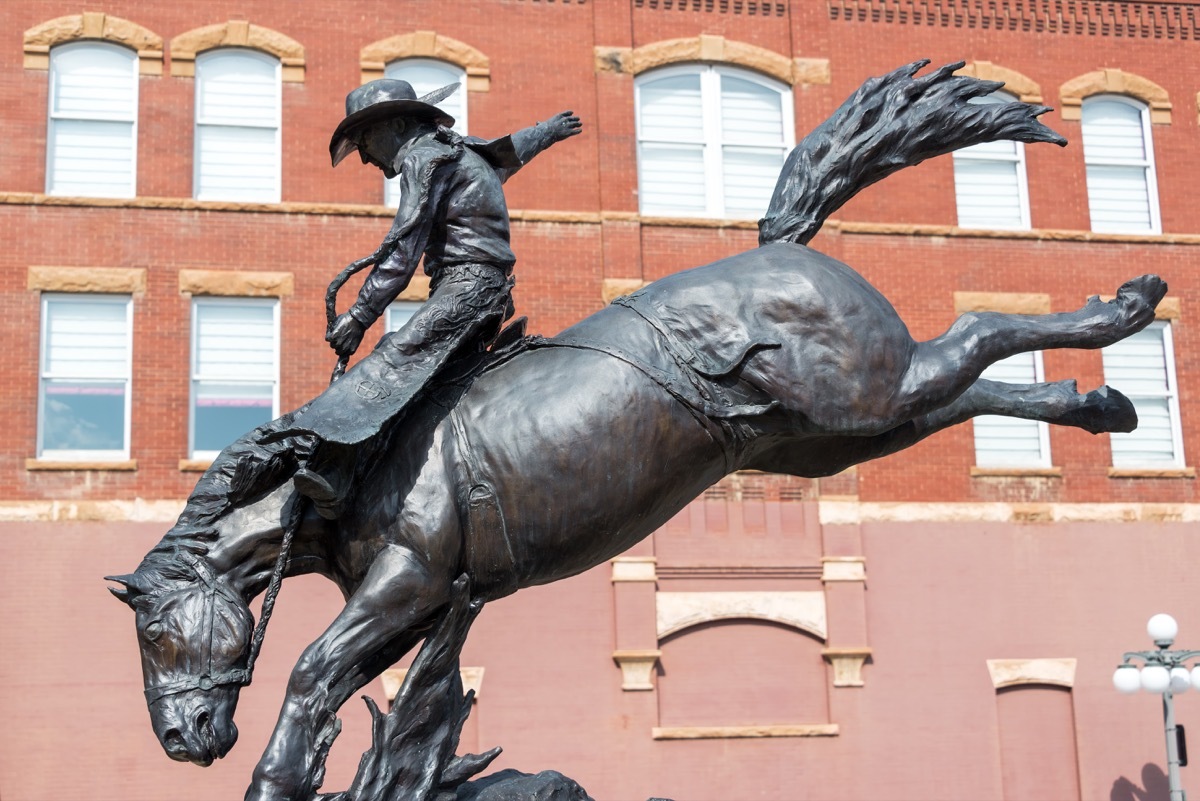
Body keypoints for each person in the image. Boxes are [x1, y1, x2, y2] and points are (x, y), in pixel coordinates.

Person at [283, 78, 582, 518]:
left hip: (467, 288)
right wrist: (546, 132)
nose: (364, 156)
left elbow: (403, 252)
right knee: (415, 367)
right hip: (488, 291)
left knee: (392, 361)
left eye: (365, 139)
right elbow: (511, 150)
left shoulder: (424, 160)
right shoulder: (463, 152)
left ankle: (334, 472)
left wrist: (359, 318)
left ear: (397, 125)